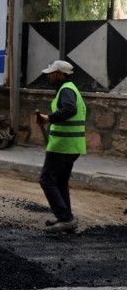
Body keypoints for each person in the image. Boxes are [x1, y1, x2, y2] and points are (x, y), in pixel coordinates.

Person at [35, 60, 86, 234]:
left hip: (62, 145)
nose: (49, 75)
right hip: (72, 145)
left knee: (46, 179)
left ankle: (65, 219)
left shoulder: (66, 90)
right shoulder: (71, 89)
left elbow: (70, 109)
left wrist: (48, 118)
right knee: (60, 181)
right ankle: (66, 217)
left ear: (61, 74)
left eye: (53, 73)